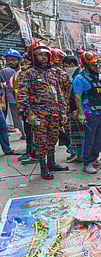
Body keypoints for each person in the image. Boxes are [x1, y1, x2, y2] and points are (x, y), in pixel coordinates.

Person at [16, 41, 69, 180]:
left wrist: (63, 111)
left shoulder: (52, 73)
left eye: (46, 55)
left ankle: (51, 162)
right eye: (40, 55)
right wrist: (28, 113)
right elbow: (22, 94)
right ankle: (43, 167)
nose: (44, 58)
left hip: (54, 112)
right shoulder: (28, 73)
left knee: (53, 138)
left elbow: (59, 93)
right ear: (34, 57)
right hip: (38, 114)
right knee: (40, 141)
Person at [73, 51, 101, 173]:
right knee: (89, 139)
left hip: (100, 112)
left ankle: (94, 159)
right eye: (93, 65)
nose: (96, 67)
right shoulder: (80, 78)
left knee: (99, 139)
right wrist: (81, 113)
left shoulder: (97, 78)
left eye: (96, 65)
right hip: (89, 113)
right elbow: (77, 96)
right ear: (86, 65)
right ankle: (87, 163)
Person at [12, 52, 36, 163]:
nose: (25, 65)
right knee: (28, 130)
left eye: (27, 62)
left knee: (33, 132)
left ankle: (33, 153)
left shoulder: (34, 73)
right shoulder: (20, 73)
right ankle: (29, 152)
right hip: (24, 107)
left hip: (34, 108)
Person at [0, 49, 26, 139]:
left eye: (13, 60)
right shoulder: (5, 71)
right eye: (8, 60)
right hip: (12, 98)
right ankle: (24, 133)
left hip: (25, 98)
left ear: (19, 60)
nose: (10, 62)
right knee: (17, 117)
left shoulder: (25, 71)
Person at [50, 48, 72, 150]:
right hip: (59, 105)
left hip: (58, 106)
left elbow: (68, 90)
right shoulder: (62, 73)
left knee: (65, 128)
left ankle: (72, 148)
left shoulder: (61, 73)